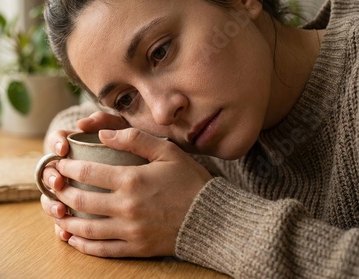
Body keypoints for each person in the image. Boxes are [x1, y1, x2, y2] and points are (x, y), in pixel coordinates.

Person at [39, 0, 359, 277]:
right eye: (125, 99)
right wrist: (65, 150)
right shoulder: (200, 124)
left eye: (160, 52)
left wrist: (206, 223)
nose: (162, 113)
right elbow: (71, 120)